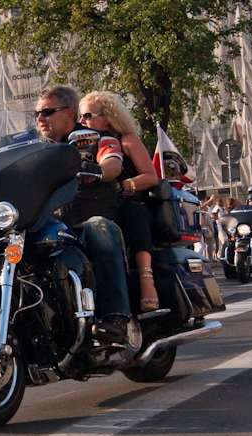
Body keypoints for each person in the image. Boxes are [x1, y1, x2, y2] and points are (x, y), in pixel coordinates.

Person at [37, 84, 132, 344]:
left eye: (46, 112)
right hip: (54, 227)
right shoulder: (37, 151)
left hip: (87, 223)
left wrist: (97, 170)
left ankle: (116, 316)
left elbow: (112, 163)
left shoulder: (98, 139)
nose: (39, 119)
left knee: (98, 227)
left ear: (68, 113)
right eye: (38, 113)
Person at [80, 91, 161, 311]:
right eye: (80, 116)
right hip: (100, 205)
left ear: (107, 117)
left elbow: (151, 176)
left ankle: (146, 281)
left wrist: (121, 185)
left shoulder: (126, 139)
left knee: (130, 212)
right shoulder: (82, 145)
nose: (82, 121)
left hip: (131, 203)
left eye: (87, 116)